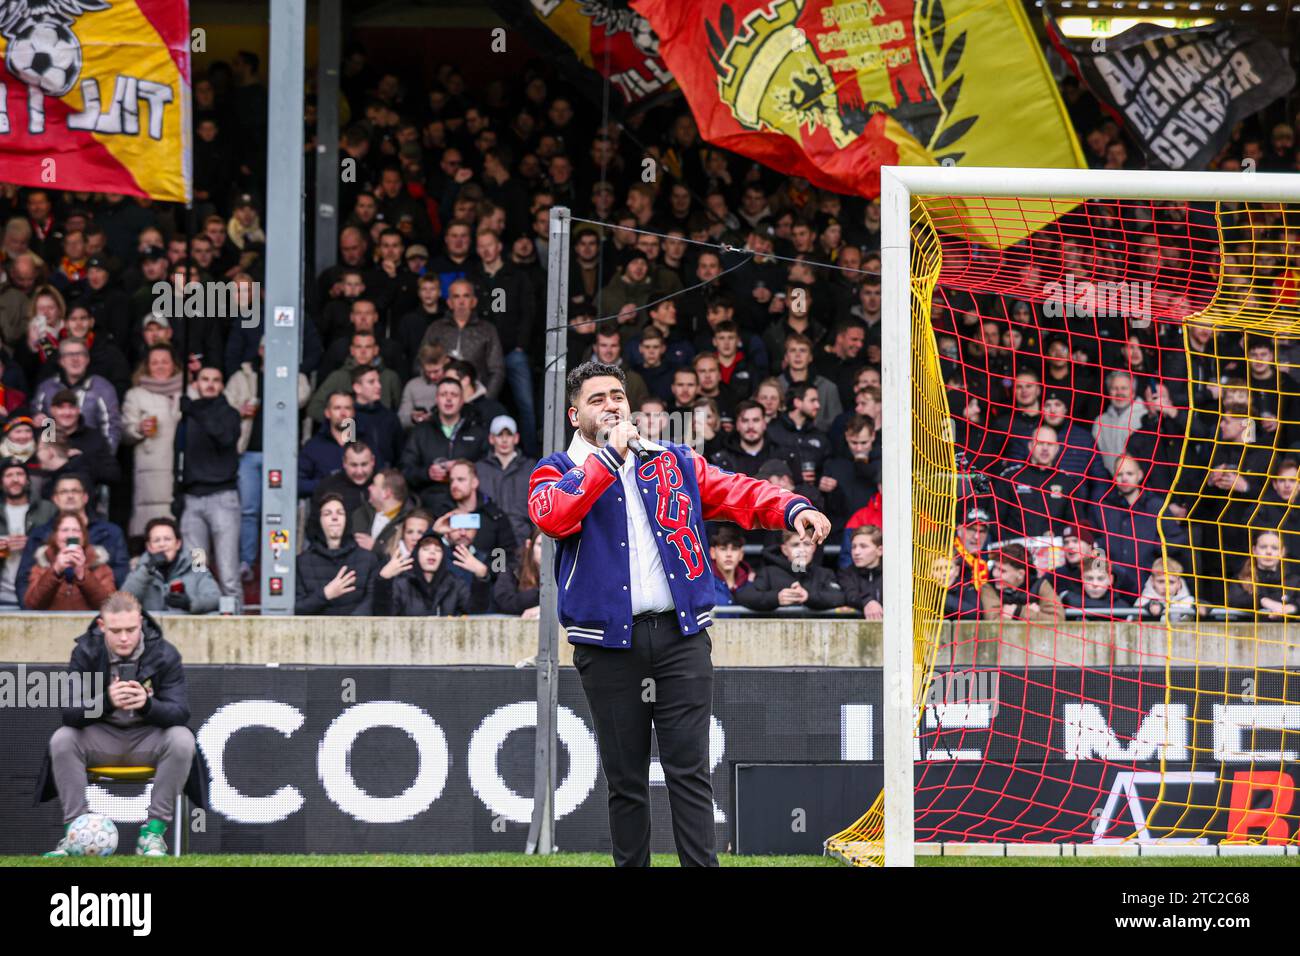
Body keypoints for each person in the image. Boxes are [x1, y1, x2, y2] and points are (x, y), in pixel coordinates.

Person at [528, 360, 830, 866]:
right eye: (597, 398)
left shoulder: (672, 461)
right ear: (574, 414)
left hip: (681, 638)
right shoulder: (556, 469)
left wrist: (790, 507)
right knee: (625, 780)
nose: (611, 405)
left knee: (689, 771)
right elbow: (552, 516)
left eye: (617, 396)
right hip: (605, 646)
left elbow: (738, 491)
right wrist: (606, 459)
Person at [36, 591, 205, 857]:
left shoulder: (164, 653)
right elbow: (69, 713)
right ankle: (74, 835)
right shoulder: (86, 652)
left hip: (148, 738)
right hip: (100, 738)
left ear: (141, 622)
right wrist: (107, 701)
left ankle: (153, 834)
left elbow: (180, 713)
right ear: (102, 627)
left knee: (182, 739)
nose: (124, 637)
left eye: (131, 629)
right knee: (63, 738)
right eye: (116, 631)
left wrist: (147, 705)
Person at [178, 365, 243, 609]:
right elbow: (179, 455)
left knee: (228, 572)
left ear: (223, 385)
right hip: (192, 501)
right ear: (196, 383)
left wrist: (195, 410)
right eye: (205, 379)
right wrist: (177, 495)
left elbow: (223, 436)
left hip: (223, 500)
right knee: (196, 569)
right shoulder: (188, 416)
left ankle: (237, 626)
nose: (210, 384)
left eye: (216, 380)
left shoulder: (229, 414)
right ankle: (198, 618)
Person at [14, 474, 130, 601]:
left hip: (99, 608)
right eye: (64, 491)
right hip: (49, 612)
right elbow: (24, 579)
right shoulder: (39, 534)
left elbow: (121, 575)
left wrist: (112, 609)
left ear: (85, 497)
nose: (70, 496)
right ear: (55, 498)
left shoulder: (110, 532)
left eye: (75, 491)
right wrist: (30, 611)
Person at [120, 345, 183, 538]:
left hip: (183, 468)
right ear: (147, 366)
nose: (160, 366)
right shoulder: (136, 395)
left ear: (174, 365)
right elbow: (123, 431)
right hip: (151, 470)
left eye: (165, 361)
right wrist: (138, 429)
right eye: (154, 362)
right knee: (150, 530)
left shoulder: (188, 390)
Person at [295, 492, 378, 615]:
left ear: (347, 520)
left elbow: (373, 602)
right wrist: (326, 594)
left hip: (357, 632)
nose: (335, 517)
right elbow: (297, 608)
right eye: (327, 513)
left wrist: (348, 627)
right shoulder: (302, 562)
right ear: (319, 521)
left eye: (340, 513)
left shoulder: (368, 559)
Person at [122, 517, 222, 614]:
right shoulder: (141, 568)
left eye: (167, 539)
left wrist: (190, 603)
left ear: (178, 544)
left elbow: (215, 598)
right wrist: (147, 570)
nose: (162, 544)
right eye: (156, 540)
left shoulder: (196, 565)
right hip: (151, 628)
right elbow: (123, 601)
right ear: (149, 547)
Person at [23, 510, 116, 610]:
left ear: (83, 536)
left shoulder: (101, 568)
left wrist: (83, 575)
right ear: (55, 535)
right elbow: (31, 604)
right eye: (65, 530)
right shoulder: (41, 567)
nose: (70, 535)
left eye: (75, 530)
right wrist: (55, 570)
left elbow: (109, 607)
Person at [734, 529, 845, 611]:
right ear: (784, 549)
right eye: (795, 545)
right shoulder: (769, 573)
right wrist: (776, 598)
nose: (801, 550)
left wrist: (808, 597)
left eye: (806, 544)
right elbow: (744, 596)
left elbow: (840, 597)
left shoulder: (824, 574)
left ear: (813, 548)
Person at [472, 415, 536, 545]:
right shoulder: (478, 469)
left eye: (509, 434)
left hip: (522, 538)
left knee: (521, 566)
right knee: (497, 566)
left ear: (516, 438)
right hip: (489, 539)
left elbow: (538, 505)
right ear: (491, 439)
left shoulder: (531, 467)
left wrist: (534, 536)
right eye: (499, 435)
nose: (504, 440)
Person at [0, 458, 54, 607]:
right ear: (1, 482)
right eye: (9, 475)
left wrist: (32, 545)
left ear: (28, 480)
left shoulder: (48, 509)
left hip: (35, 592)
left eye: (20, 474)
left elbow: (58, 546)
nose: (15, 479)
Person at [389, 531, 468, 616]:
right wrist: (383, 579)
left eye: (438, 550)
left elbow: (474, 613)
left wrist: (481, 576)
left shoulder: (455, 584)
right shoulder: (402, 584)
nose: (432, 552)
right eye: (426, 549)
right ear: (416, 553)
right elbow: (384, 615)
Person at [1228, 529, 1298, 619]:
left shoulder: (1294, 581)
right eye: (1263, 547)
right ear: (1254, 550)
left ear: (1282, 552)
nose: (1268, 552)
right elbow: (1234, 600)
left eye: (1274, 548)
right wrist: (1263, 601)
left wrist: (1291, 608)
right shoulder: (1240, 579)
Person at [492, 529, 542, 617]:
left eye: (553, 545)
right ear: (529, 545)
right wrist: (540, 593)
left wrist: (542, 609)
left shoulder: (566, 570)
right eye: (540, 545)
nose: (547, 551)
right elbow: (505, 602)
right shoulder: (514, 569)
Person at [838, 524, 883, 619]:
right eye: (853, 547)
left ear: (880, 550)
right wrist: (867, 601)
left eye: (863, 546)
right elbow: (849, 593)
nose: (856, 552)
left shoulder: (893, 574)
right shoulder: (845, 573)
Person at [708, 524, 752, 606]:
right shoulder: (704, 583)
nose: (729, 554)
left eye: (734, 549)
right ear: (713, 553)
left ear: (741, 554)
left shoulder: (751, 582)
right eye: (723, 549)